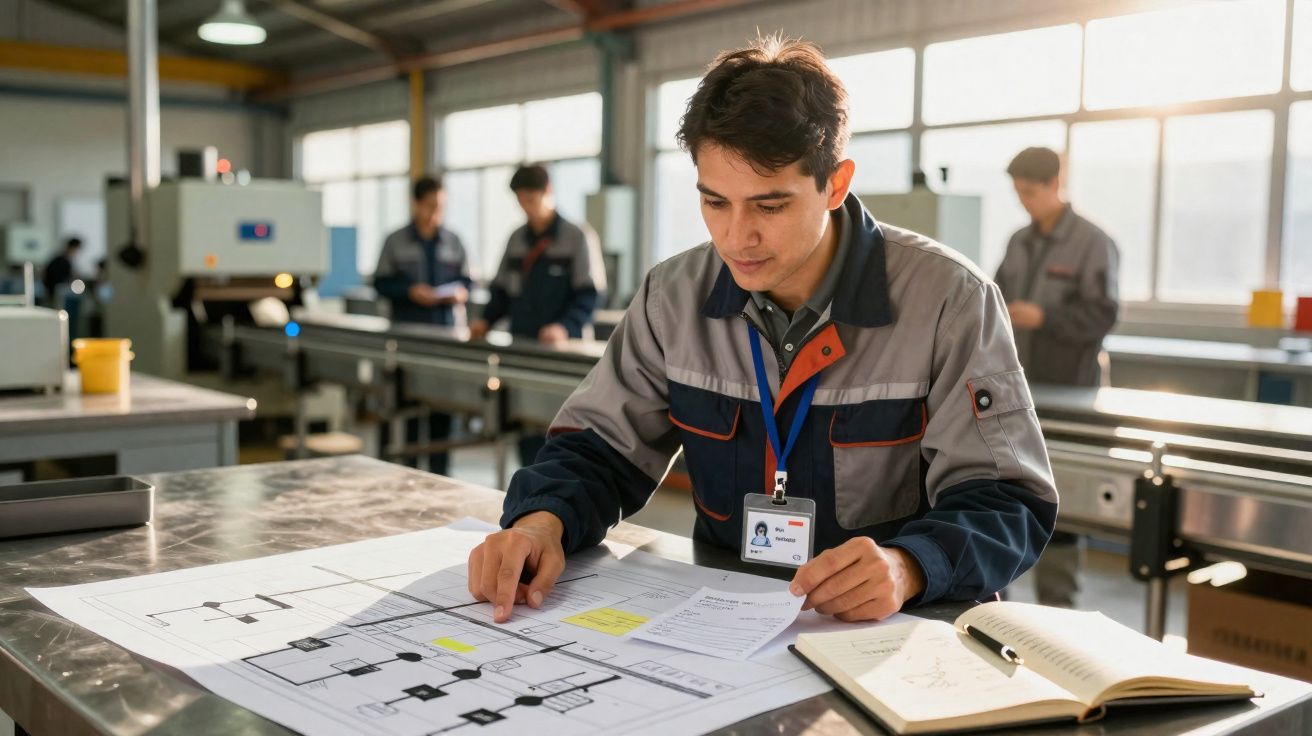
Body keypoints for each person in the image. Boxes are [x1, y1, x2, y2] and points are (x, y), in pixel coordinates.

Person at [466, 35, 1058, 625]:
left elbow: (1007, 499)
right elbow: (598, 448)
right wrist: (542, 520)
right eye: (714, 202)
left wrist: (909, 565)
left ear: (835, 183)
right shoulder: (673, 298)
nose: (736, 237)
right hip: (725, 624)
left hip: (892, 632)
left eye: (769, 207)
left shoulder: (949, 301)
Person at [995, 146, 1119, 608]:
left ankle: (1059, 612)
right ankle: (995, 609)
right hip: (1018, 392)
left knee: (1062, 507)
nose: (1023, 201)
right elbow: (992, 303)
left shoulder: (1092, 242)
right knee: (1005, 498)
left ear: (1055, 184)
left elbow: (1103, 316)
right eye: (1017, 192)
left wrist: (1043, 317)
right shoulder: (1017, 242)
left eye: (1029, 192)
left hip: (1071, 395)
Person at [469, 164, 606, 467]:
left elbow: (590, 294)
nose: (526, 208)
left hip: (562, 354)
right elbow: (503, 290)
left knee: (564, 433)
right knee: (526, 430)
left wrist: (563, 327)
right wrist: (486, 321)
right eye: (520, 201)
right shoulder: (517, 239)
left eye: (531, 199)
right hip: (522, 349)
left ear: (548, 193)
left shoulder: (576, 237)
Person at [374, 175, 473, 475]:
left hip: (445, 340)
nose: (435, 213)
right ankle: (407, 477)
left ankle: (441, 477)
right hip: (407, 342)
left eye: (440, 206)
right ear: (415, 203)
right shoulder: (395, 241)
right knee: (409, 418)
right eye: (429, 206)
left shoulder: (453, 241)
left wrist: (460, 292)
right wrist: (409, 291)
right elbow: (381, 282)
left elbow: (467, 280)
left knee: (443, 415)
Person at [42, 237, 82, 307]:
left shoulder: (66, 260)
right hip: (57, 291)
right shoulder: (60, 260)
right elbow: (49, 276)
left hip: (57, 290)